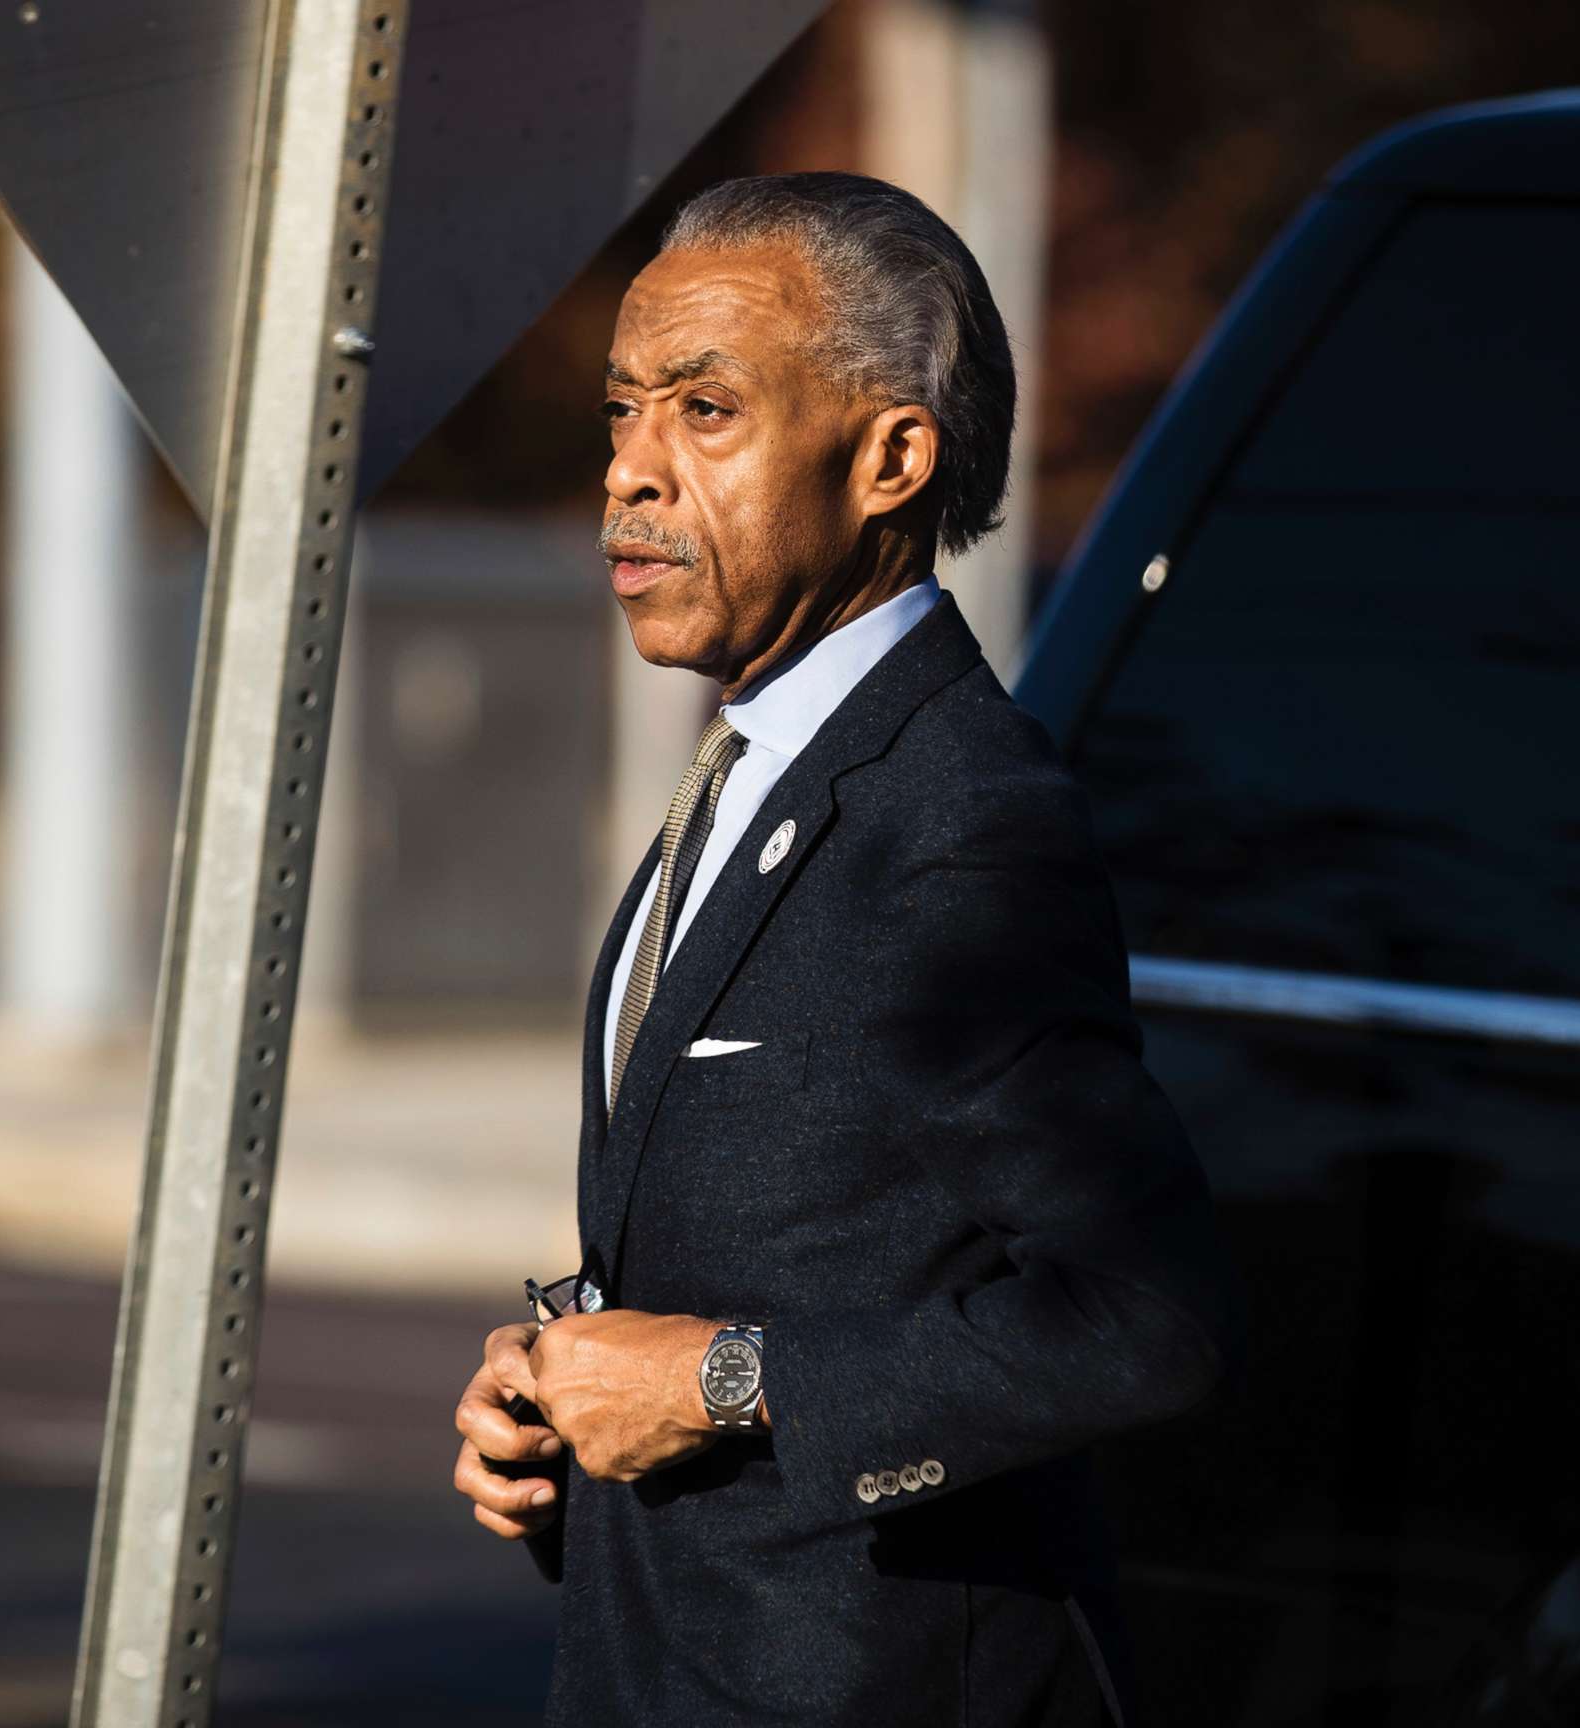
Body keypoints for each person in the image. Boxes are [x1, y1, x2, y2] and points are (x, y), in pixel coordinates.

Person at [449, 171, 1238, 1727]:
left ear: (890, 456)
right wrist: (560, 1395)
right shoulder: (763, 761)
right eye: (622, 411)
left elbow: (1145, 1320)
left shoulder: (961, 818)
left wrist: (711, 1384)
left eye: (707, 411)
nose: (630, 472)